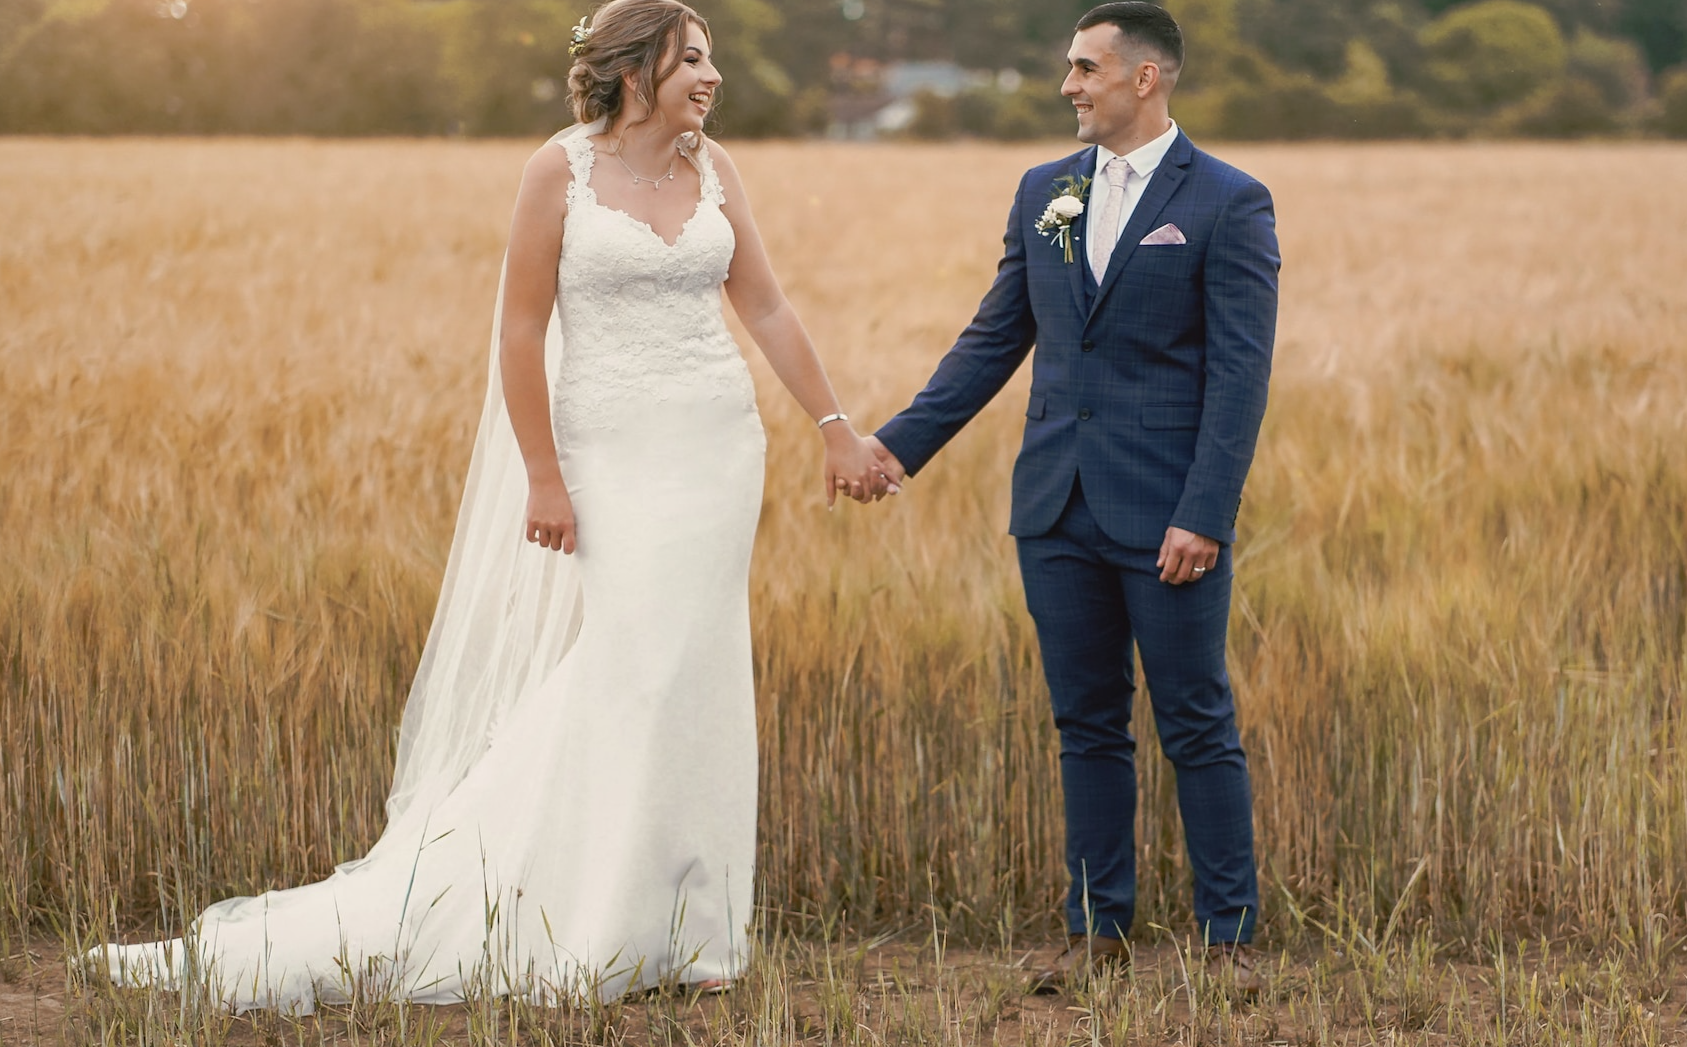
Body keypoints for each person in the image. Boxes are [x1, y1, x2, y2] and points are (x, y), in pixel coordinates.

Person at [89, 0, 888, 1011]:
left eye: (712, 60)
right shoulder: (559, 171)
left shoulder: (717, 171)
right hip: (608, 450)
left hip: (715, 450)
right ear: (636, 67)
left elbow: (765, 305)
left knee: (697, 670)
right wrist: (545, 475)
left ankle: (695, 927)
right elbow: (519, 332)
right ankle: (578, 911)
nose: (712, 77)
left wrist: (832, 425)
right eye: (694, 59)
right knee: (632, 667)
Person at [866, 1, 1279, 996]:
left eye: (1085, 68)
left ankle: (1228, 934)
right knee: (1085, 722)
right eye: (1068, 67)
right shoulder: (1042, 192)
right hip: (1054, 506)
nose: (1067, 86)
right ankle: (1098, 926)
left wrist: (1204, 514)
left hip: (1165, 514)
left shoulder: (1228, 200)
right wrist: (895, 446)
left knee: (1194, 717)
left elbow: (1238, 375)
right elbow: (994, 338)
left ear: (1145, 77)